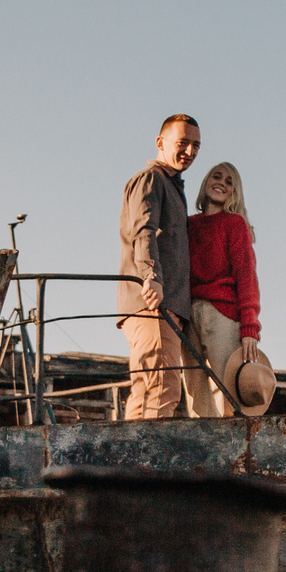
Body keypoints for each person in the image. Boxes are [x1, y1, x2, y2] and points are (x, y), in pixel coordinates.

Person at [118, 114, 200, 420]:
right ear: (160, 142)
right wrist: (151, 277)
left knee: (147, 390)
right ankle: (146, 454)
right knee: (164, 388)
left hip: (159, 304)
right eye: (183, 143)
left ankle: (128, 451)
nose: (190, 151)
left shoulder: (171, 186)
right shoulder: (152, 179)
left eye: (196, 146)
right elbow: (144, 230)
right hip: (153, 304)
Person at [183, 161, 263, 418]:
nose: (221, 183)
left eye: (229, 182)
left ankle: (232, 441)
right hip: (188, 313)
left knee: (226, 393)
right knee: (195, 394)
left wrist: (249, 327)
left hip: (222, 315)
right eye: (216, 177)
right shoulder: (188, 225)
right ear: (206, 182)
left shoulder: (235, 223)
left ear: (234, 192)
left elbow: (247, 277)